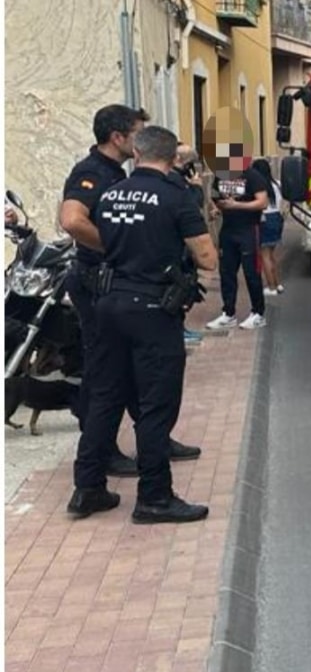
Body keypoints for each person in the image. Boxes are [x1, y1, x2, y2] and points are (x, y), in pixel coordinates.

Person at [67, 125, 218, 522]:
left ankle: (87, 489)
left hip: (108, 304)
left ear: (136, 151)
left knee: (104, 397)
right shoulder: (176, 195)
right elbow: (206, 257)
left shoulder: (110, 192)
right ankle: (154, 496)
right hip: (152, 309)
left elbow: (94, 234)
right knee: (154, 406)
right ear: (172, 159)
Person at [205, 144, 268, 330]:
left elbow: (262, 202)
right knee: (226, 272)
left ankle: (258, 313)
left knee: (251, 273)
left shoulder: (252, 176)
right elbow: (215, 197)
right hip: (228, 230)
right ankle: (228, 313)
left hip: (249, 229)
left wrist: (237, 206)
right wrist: (216, 208)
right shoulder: (220, 176)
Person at [174, 143, 207, 344]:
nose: (191, 167)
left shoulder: (178, 179)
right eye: (189, 163)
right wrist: (196, 188)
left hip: (183, 246)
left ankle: (181, 327)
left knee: (185, 286)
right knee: (180, 288)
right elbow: (192, 207)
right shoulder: (177, 182)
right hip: (179, 246)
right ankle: (178, 330)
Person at [251, 158, 285, 296]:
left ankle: (271, 287)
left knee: (264, 255)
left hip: (264, 218)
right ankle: (277, 284)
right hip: (277, 217)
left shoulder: (259, 186)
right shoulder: (277, 184)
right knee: (271, 255)